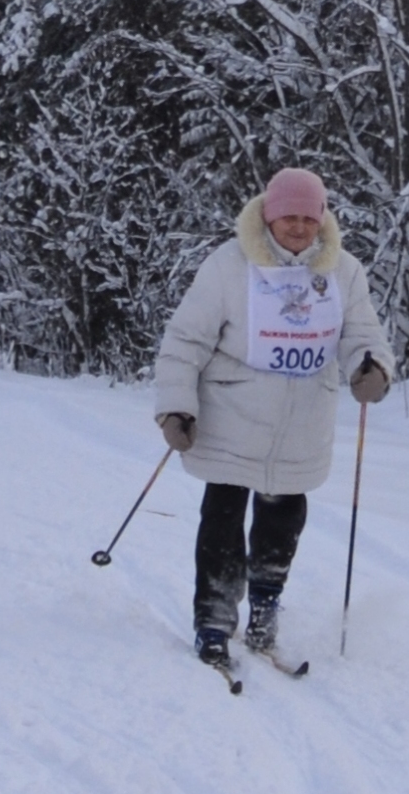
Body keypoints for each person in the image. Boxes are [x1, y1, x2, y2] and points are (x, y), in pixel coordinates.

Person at [152, 167, 393, 674]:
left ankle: (264, 610)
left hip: (303, 421)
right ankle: (214, 623)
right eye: (289, 217)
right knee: (222, 519)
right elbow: (186, 339)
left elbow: (362, 334)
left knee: (282, 524)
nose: (299, 228)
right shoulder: (229, 265)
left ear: (321, 219)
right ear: (268, 216)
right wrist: (176, 406)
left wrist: (371, 367)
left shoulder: (343, 271)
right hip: (232, 414)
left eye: (309, 218)